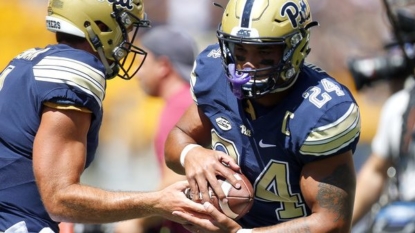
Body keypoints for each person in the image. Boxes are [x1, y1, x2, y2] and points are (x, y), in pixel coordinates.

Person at [0, 1, 206, 233]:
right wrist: (156, 203)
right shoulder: (74, 70)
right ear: (100, 25)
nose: (127, 42)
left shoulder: (27, 60)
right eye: (125, 29)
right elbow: (59, 199)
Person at [164, 0, 362, 232]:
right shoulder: (215, 75)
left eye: (264, 52)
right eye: (240, 49)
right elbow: (178, 138)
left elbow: (332, 224)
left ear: (294, 48)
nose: (248, 65)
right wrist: (192, 154)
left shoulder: (321, 111)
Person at [114, 25, 197, 233]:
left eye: (144, 63)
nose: (137, 74)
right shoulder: (185, 101)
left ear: (163, 66)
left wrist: (136, 222)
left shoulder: (181, 105)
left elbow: (180, 178)